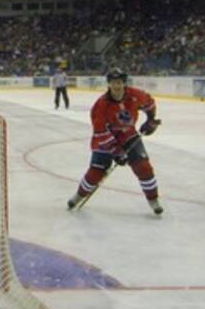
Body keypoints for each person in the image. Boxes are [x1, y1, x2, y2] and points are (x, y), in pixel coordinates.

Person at [67, 68, 164, 215]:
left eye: (119, 83)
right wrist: (117, 151)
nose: (117, 86)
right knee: (96, 172)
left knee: (144, 168)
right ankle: (80, 195)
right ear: (109, 85)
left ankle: (153, 199)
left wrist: (150, 121)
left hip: (128, 135)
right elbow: (100, 132)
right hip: (105, 140)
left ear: (124, 83)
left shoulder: (135, 95)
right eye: (113, 83)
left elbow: (149, 104)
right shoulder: (100, 106)